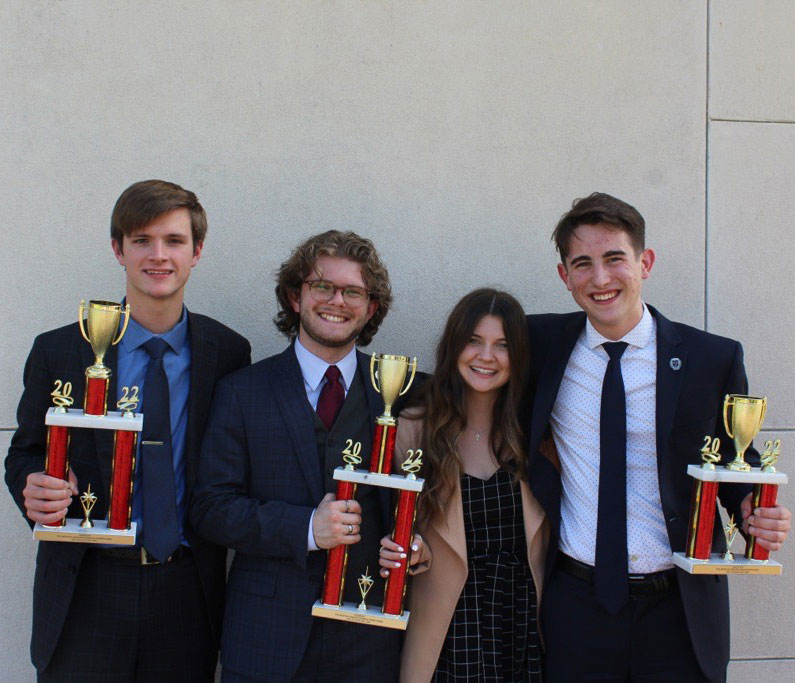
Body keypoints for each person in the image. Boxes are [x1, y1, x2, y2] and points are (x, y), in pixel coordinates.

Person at [525, 192, 791, 682]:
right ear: (565, 277)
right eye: (582, 264)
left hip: (680, 609)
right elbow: (467, 376)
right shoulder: (539, 345)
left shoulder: (711, 359)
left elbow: (735, 462)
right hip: (576, 606)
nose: (600, 279)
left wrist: (755, 506)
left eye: (614, 259)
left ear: (644, 262)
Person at [5, 179, 251, 681]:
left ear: (197, 252)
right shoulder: (60, 350)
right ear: (118, 249)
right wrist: (33, 486)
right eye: (141, 240)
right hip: (85, 588)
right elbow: (25, 453)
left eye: (174, 241)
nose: (158, 256)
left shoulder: (227, 353)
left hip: (187, 592)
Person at [190, 230, 425, 682]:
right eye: (322, 286)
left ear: (370, 307)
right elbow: (209, 509)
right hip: (265, 640)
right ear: (295, 297)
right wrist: (306, 529)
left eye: (353, 291)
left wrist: (420, 545)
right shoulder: (242, 391)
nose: (337, 300)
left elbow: (430, 498)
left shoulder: (409, 392)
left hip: (369, 637)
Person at [379, 288, 546, 682]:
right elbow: (393, 527)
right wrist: (408, 549)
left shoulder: (537, 434)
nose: (486, 356)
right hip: (449, 629)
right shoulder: (414, 429)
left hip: (524, 627)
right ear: (454, 346)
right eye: (474, 341)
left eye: (502, 345)